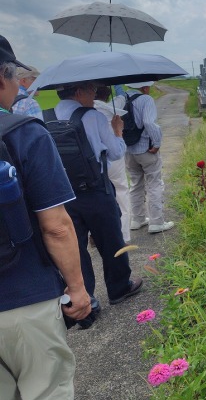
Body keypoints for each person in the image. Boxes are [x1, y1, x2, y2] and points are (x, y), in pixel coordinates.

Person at [0, 34, 91, 400]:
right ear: (2, 77)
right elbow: (56, 226)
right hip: (25, 297)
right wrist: (78, 288)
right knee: (46, 398)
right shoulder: (23, 132)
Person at [53, 81, 142, 321]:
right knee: (111, 240)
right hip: (95, 190)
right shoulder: (92, 116)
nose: (94, 95)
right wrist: (117, 131)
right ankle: (119, 287)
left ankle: (87, 301)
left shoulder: (47, 116)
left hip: (64, 193)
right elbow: (115, 152)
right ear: (78, 91)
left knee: (75, 248)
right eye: (91, 90)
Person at [124, 81, 174, 234]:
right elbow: (148, 122)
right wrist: (157, 143)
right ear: (145, 87)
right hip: (146, 149)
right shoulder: (146, 99)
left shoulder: (119, 99)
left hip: (128, 150)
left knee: (135, 184)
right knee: (154, 184)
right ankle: (156, 222)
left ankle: (137, 219)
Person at [93, 85, 131, 243]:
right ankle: (123, 234)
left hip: (95, 160)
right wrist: (116, 83)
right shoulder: (114, 107)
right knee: (121, 191)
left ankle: (99, 234)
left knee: (97, 196)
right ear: (108, 95)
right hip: (115, 158)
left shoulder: (86, 111)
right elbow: (122, 95)